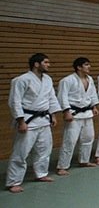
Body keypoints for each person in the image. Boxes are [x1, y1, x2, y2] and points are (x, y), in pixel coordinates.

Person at [6, 53, 61, 193]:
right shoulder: (21, 80)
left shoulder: (47, 79)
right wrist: (21, 120)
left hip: (44, 118)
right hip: (28, 119)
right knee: (21, 152)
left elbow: (51, 98)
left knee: (45, 148)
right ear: (36, 64)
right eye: (46, 62)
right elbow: (15, 101)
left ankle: (41, 174)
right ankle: (14, 181)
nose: (49, 65)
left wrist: (53, 114)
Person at [56, 57, 99, 176]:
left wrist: (94, 106)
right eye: (86, 65)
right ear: (79, 67)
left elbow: (92, 94)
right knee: (69, 140)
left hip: (87, 113)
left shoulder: (89, 79)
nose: (89, 67)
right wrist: (66, 111)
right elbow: (62, 96)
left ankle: (84, 161)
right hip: (74, 114)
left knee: (88, 138)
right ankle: (62, 166)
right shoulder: (67, 80)